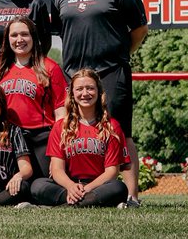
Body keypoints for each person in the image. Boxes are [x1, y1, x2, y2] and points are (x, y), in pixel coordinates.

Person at [51, 0, 148, 206]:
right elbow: (60, 31)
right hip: (74, 76)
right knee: (73, 132)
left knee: (120, 132)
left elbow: (140, 30)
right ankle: (77, 191)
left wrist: (120, 56)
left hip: (111, 72)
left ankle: (131, 197)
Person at [30, 69, 129, 208]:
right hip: (69, 186)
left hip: (98, 187)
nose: (85, 93)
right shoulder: (60, 127)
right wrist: (71, 186)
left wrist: (87, 189)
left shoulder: (112, 126)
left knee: (119, 187)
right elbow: (57, 170)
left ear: (99, 92)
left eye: (90, 88)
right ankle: (84, 202)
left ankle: (61, 207)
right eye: (79, 89)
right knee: (38, 185)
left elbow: (112, 172)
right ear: (72, 94)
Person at [0, 16, 67, 179]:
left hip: (41, 138)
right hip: (10, 136)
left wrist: (57, 151)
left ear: (33, 37)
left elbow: (61, 114)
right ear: (7, 39)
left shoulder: (50, 67)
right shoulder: (1, 69)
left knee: (41, 185)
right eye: (14, 35)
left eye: (24, 34)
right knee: (15, 185)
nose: (19, 40)